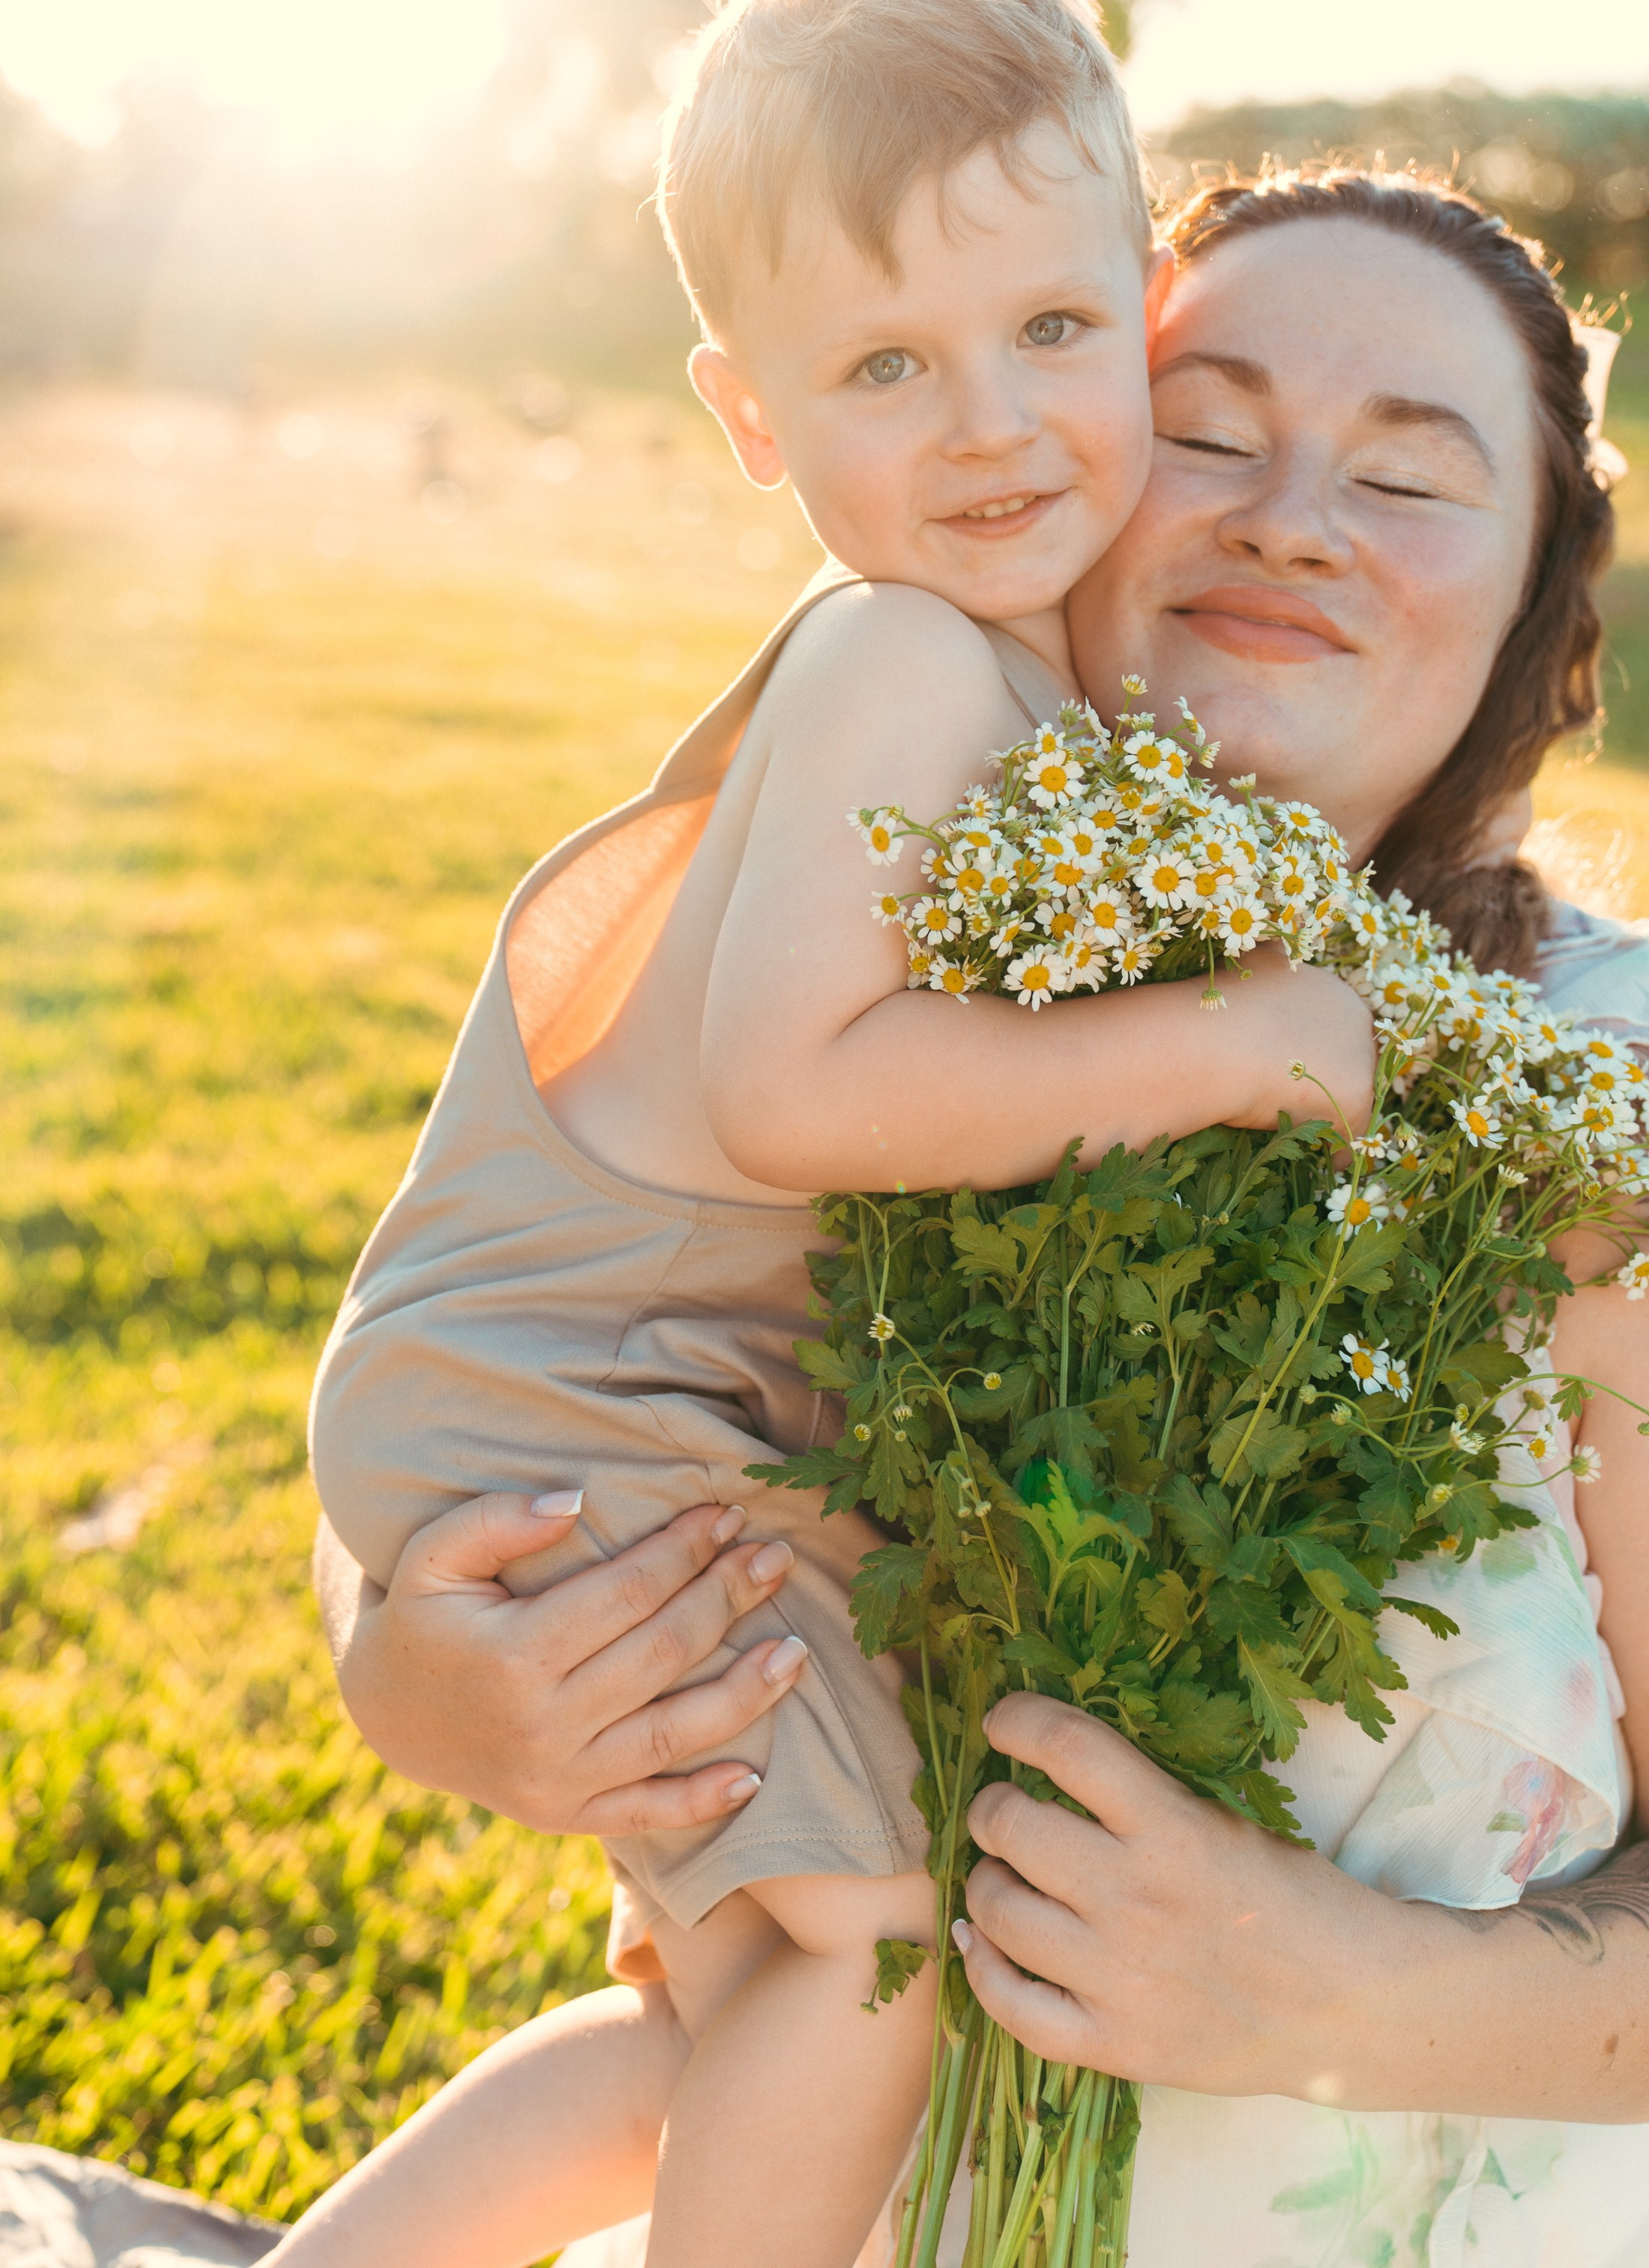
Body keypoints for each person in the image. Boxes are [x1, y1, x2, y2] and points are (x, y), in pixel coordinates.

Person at [318, 166, 1649, 2267]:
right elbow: (549, 1327)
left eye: (1411, 478)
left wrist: (1348, 1998)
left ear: (1531, 609)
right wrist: (422, 1669)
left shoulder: (1595, 1105)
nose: (1290, 515)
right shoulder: (892, 1001)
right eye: (1204, 430)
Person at [280, 0, 1378, 2268]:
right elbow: (802, 1091)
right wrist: (1233, 1046)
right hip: (587, 1380)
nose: (992, 423)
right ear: (750, 412)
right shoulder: (898, 655)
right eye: (884, 369)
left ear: (1143, 313)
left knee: (726, 1993)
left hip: (593, 1363)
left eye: (1055, 329)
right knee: (867, 1950)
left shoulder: (987, 667)